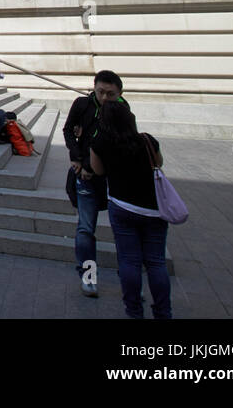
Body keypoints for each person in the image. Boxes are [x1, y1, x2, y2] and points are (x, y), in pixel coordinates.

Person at [90, 101, 171, 320]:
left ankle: (134, 312)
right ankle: (164, 313)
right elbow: (159, 163)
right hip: (153, 210)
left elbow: (98, 171)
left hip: (122, 206)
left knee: (129, 262)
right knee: (156, 262)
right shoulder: (146, 139)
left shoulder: (100, 142)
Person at [64, 70, 126, 298]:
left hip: (112, 179)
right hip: (85, 177)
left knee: (122, 232)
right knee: (85, 229)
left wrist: (93, 166)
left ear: (119, 93)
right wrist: (77, 158)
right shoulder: (82, 104)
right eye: (100, 92)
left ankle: (129, 279)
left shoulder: (123, 109)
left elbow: (122, 142)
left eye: (110, 94)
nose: (104, 97)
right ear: (94, 88)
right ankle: (88, 277)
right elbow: (68, 129)